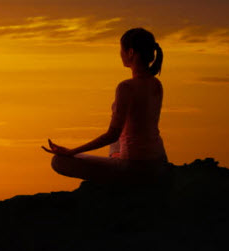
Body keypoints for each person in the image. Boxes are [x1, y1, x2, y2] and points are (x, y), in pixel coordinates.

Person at [42, 28, 170, 184]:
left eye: (121, 49)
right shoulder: (156, 83)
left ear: (130, 53)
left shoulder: (126, 87)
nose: (120, 54)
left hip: (135, 168)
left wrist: (72, 152)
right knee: (118, 143)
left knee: (58, 161)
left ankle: (118, 172)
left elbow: (112, 135)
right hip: (159, 162)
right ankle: (117, 159)